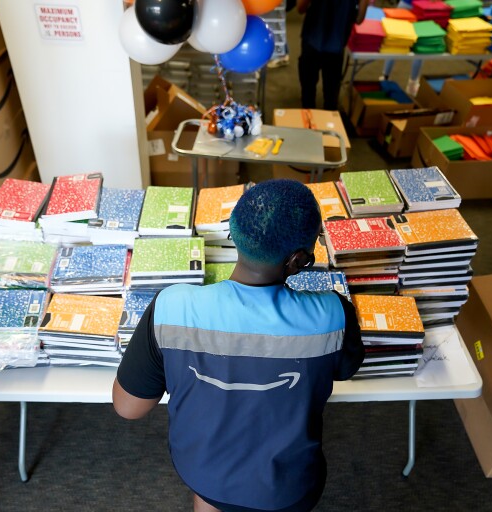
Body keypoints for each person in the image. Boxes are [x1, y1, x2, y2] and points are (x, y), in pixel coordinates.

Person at [112, 179, 364, 512]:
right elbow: (346, 370)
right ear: (298, 260)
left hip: (205, 475)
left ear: (234, 233)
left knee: (211, 494)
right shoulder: (334, 314)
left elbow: (129, 408)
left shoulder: (171, 307)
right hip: (290, 487)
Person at [298, 0, 370, 110]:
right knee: (323, 96)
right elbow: (359, 18)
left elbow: (301, 8)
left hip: (320, 41)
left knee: (317, 96)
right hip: (327, 42)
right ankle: (320, 122)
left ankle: (313, 122)